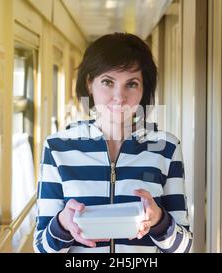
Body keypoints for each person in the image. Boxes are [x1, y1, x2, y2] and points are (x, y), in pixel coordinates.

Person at [33, 32, 192, 253]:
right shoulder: (58, 147)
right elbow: (42, 247)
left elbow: (183, 247)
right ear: (89, 83)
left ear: (144, 89)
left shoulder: (166, 148)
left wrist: (158, 221)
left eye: (132, 84)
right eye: (108, 82)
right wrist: (62, 224)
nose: (119, 96)